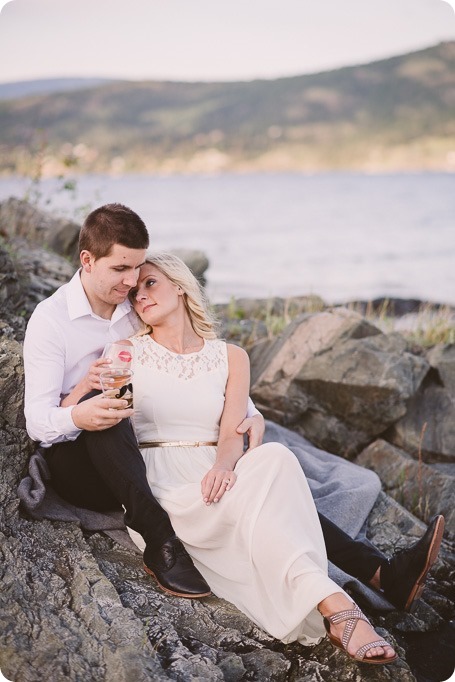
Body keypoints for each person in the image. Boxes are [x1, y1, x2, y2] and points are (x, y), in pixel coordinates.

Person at [22, 203, 443, 613]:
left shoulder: (135, 309)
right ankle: (161, 541)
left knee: (261, 486)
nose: (132, 282)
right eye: (121, 270)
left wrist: (249, 412)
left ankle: (381, 573)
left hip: (136, 456)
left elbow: (191, 365)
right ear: (87, 260)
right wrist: (79, 413)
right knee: (107, 406)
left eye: (138, 269)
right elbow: (39, 423)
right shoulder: (51, 320)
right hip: (80, 459)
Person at [110, 252, 401, 664]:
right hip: (164, 484)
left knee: (277, 457)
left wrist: (224, 467)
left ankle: (335, 605)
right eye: (134, 292)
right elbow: (106, 417)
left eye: (150, 283)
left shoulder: (231, 356)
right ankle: (340, 609)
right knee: (272, 507)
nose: (140, 295)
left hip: (215, 470)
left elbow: (232, 431)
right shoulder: (126, 352)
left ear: (179, 285)